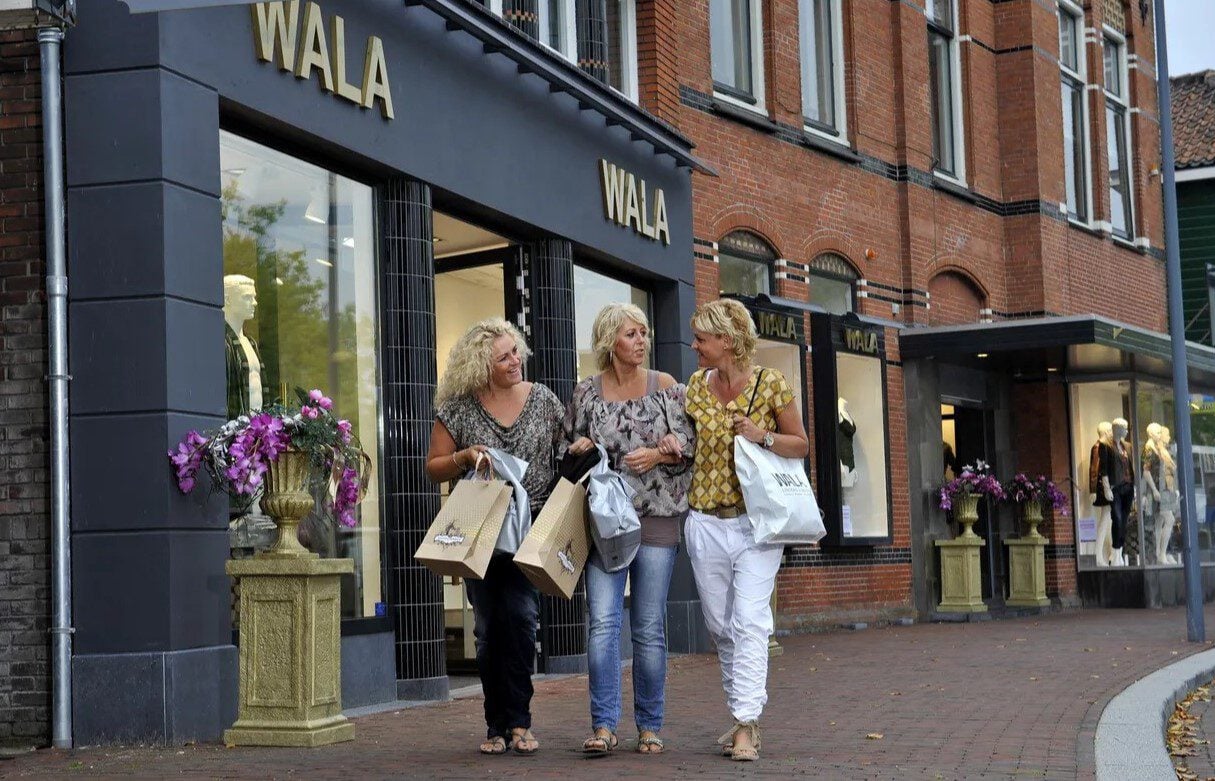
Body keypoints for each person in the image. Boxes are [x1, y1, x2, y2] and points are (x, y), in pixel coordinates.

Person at [424, 317, 564, 756]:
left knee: (522, 620)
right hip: (480, 529)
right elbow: (433, 466)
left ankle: (519, 722)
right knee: (488, 630)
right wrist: (464, 456)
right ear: (480, 365)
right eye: (503, 356)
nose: (514, 360)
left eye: (515, 351)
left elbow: (565, 451)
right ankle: (495, 725)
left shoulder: (543, 400)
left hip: (531, 527)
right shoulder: (459, 409)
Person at [565, 303, 695, 756]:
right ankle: (603, 726)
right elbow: (568, 452)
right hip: (605, 523)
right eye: (630, 334)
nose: (641, 340)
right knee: (602, 622)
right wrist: (580, 446)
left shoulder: (666, 388)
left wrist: (661, 454)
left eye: (643, 332)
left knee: (647, 625)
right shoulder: (587, 393)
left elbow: (689, 445)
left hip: (657, 517)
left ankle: (650, 726)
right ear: (609, 342)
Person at [683, 298, 809, 762]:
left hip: (756, 524)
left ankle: (745, 723)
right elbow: (689, 445)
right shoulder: (695, 387)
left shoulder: (771, 383)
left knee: (749, 621)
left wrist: (763, 436)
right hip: (704, 521)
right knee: (721, 626)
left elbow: (801, 445)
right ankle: (742, 711)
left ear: (728, 340)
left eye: (702, 338)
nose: (695, 345)